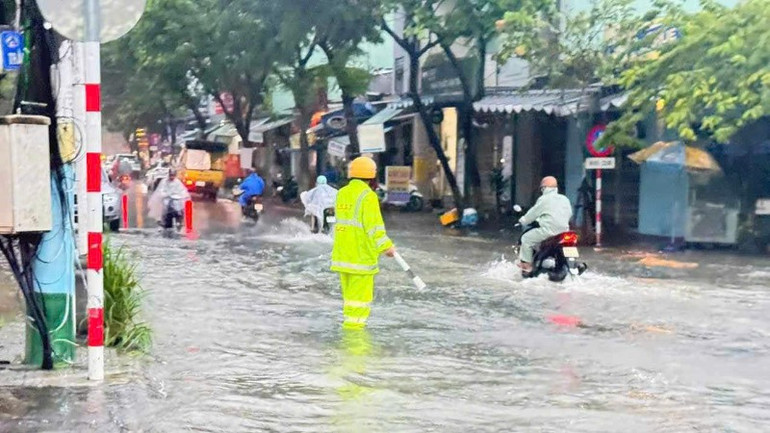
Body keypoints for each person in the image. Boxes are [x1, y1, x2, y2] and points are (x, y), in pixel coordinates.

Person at [331, 156, 396, 330]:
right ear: (371, 176)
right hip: (361, 259)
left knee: (349, 303)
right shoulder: (368, 196)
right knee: (359, 307)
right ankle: (356, 346)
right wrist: (386, 247)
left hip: (342, 257)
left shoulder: (342, 193)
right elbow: (374, 227)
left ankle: (348, 335)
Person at [517, 176, 573, 273]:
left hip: (548, 231)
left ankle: (527, 265)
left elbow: (532, 213)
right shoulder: (565, 199)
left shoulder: (544, 199)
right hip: (565, 231)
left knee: (526, 238)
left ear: (544, 188)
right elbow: (570, 214)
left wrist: (523, 220)